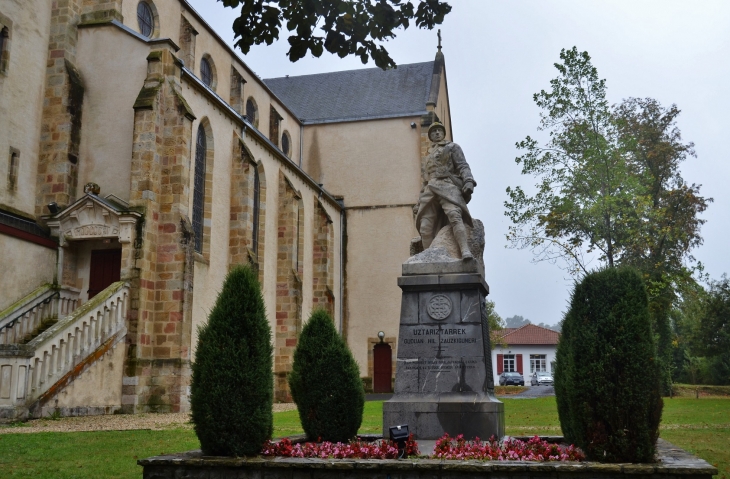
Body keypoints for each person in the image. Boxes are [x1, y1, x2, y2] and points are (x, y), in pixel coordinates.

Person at [414, 122, 476, 259]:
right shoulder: (428, 155)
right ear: (430, 136)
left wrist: (468, 181)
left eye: (439, 130)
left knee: (454, 215)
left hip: (448, 186)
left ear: (443, 133)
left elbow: (463, 166)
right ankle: (428, 257)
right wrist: (419, 201)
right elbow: (425, 180)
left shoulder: (452, 147)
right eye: (434, 131)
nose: (437, 133)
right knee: (424, 227)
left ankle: (465, 250)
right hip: (430, 189)